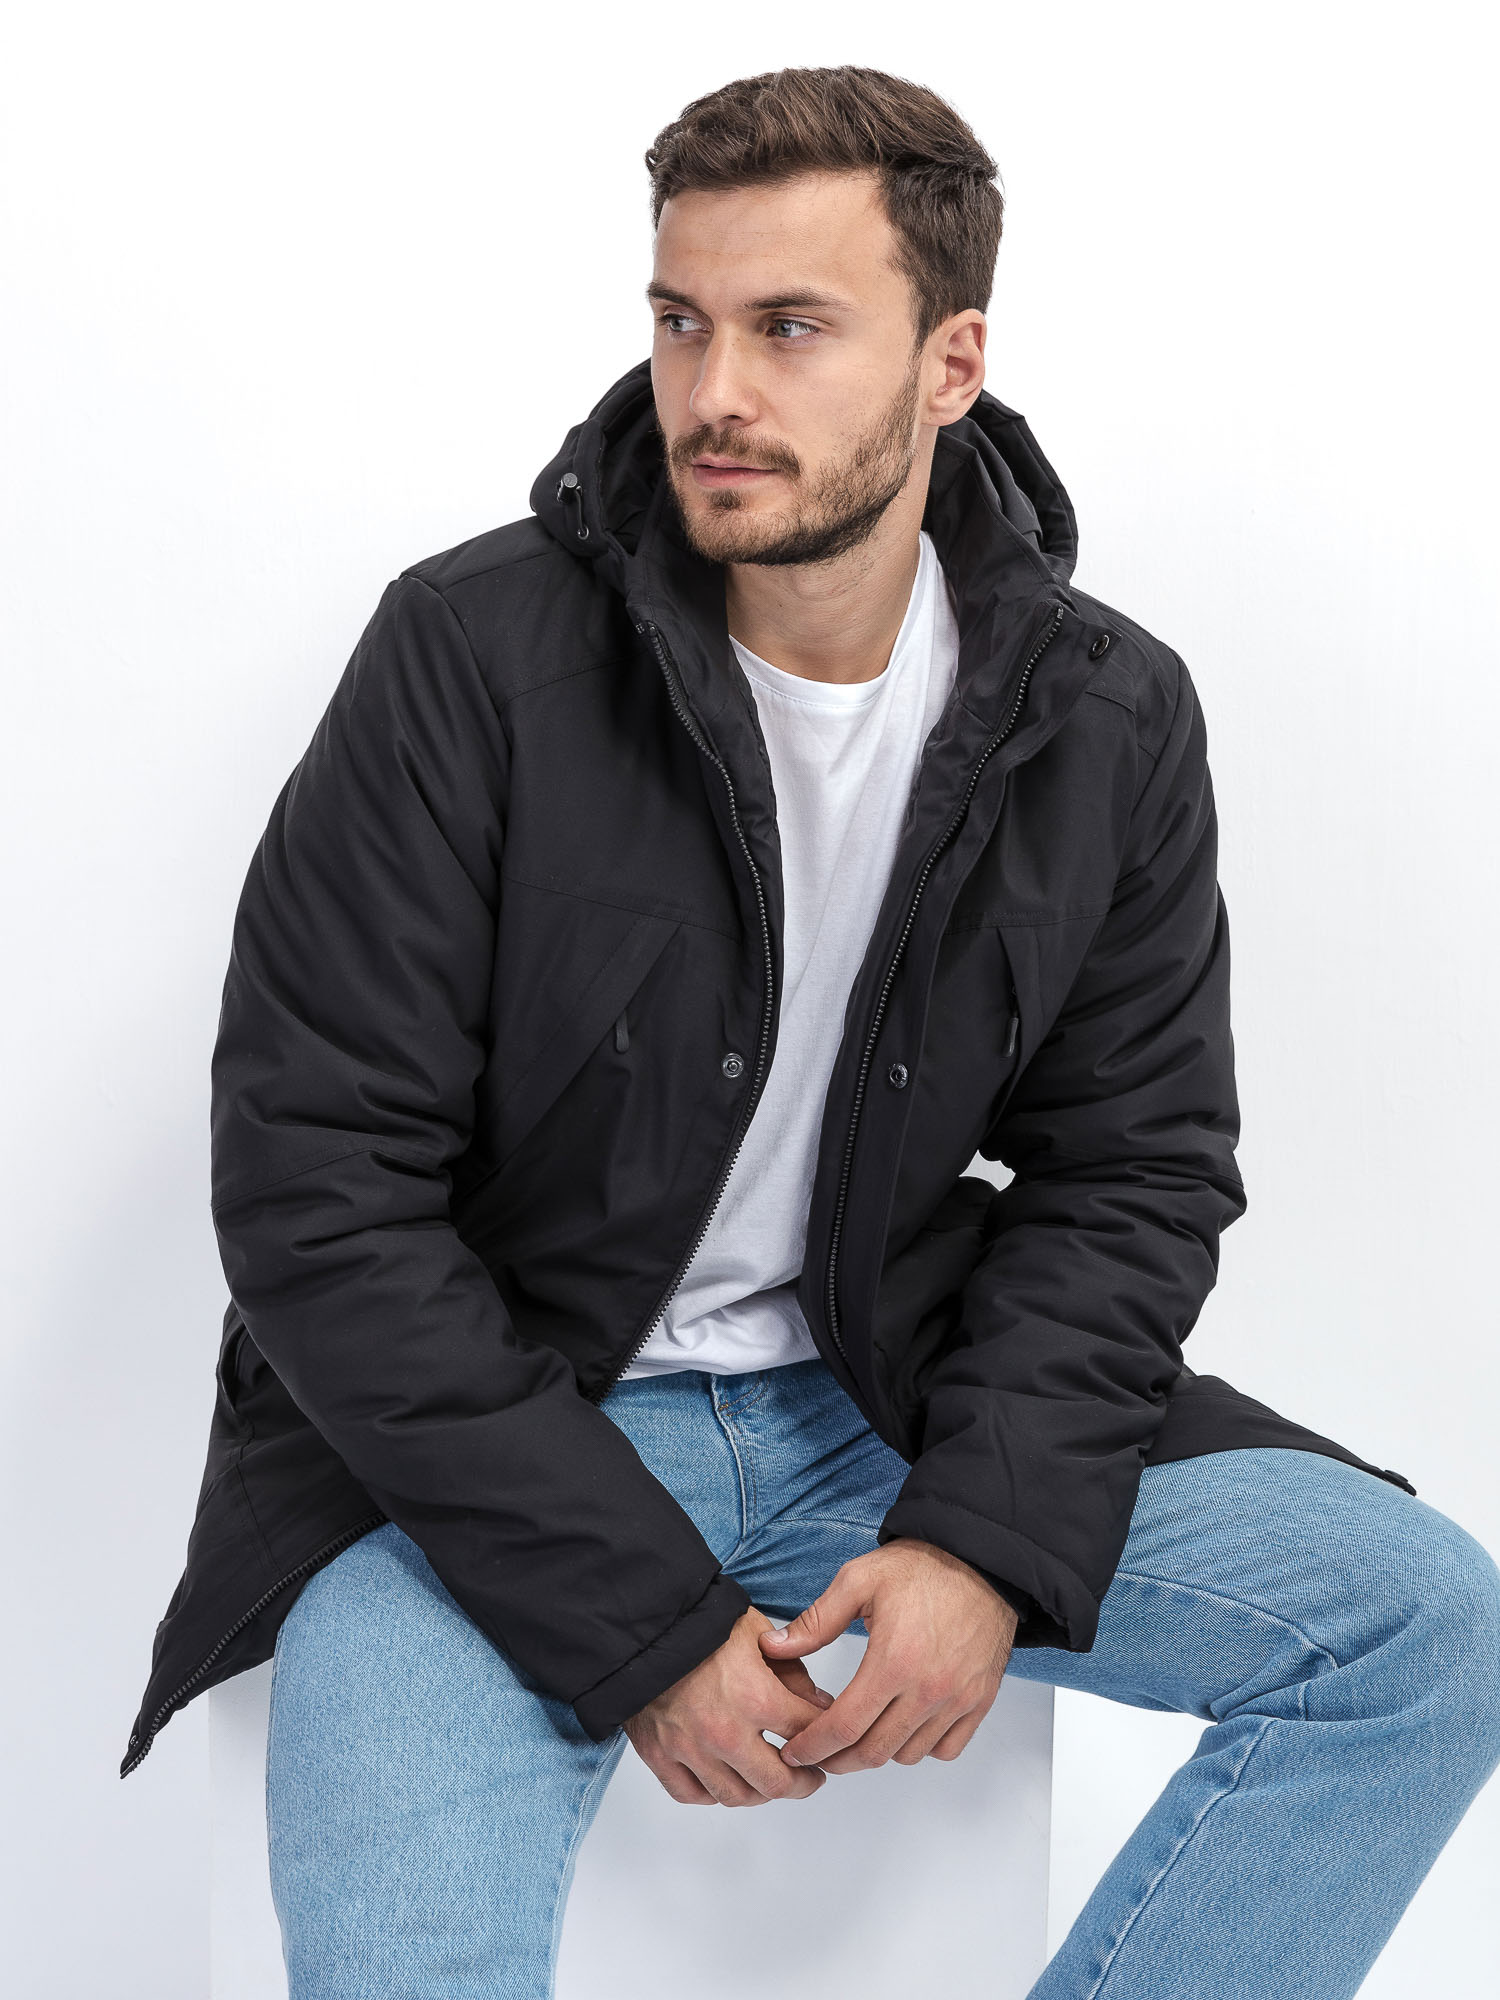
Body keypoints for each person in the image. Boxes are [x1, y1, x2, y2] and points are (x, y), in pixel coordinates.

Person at [121, 64, 1500, 1999]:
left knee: (1421, 1636)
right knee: (406, 1964)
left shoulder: (1105, 717)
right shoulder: (473, 657)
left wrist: (983, 1541)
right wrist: (639, 1619)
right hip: (496, 1452)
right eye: (681, 321)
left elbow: (1133, 1169)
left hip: (880, 1406)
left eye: (788, 328)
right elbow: (315, 1191)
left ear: (952, 364)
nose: (714, 393)